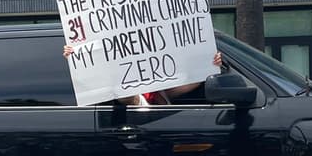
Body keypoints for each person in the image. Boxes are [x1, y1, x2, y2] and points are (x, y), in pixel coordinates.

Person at [63, 46, 222, 105]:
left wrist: (211, 64)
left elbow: (194, 81)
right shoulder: (136, 97)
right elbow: (124, 96)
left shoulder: (160, 92)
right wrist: (79, 55)